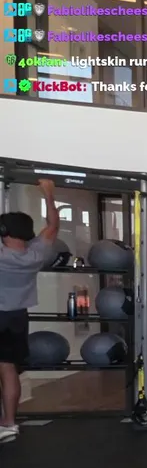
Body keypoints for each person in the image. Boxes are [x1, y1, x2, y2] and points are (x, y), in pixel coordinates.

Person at [0, 178, 60, 443]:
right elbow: (53, 225)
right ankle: (9, 423)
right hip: (17, 317)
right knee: (8, 370)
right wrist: (49, 194)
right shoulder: (36, 255)